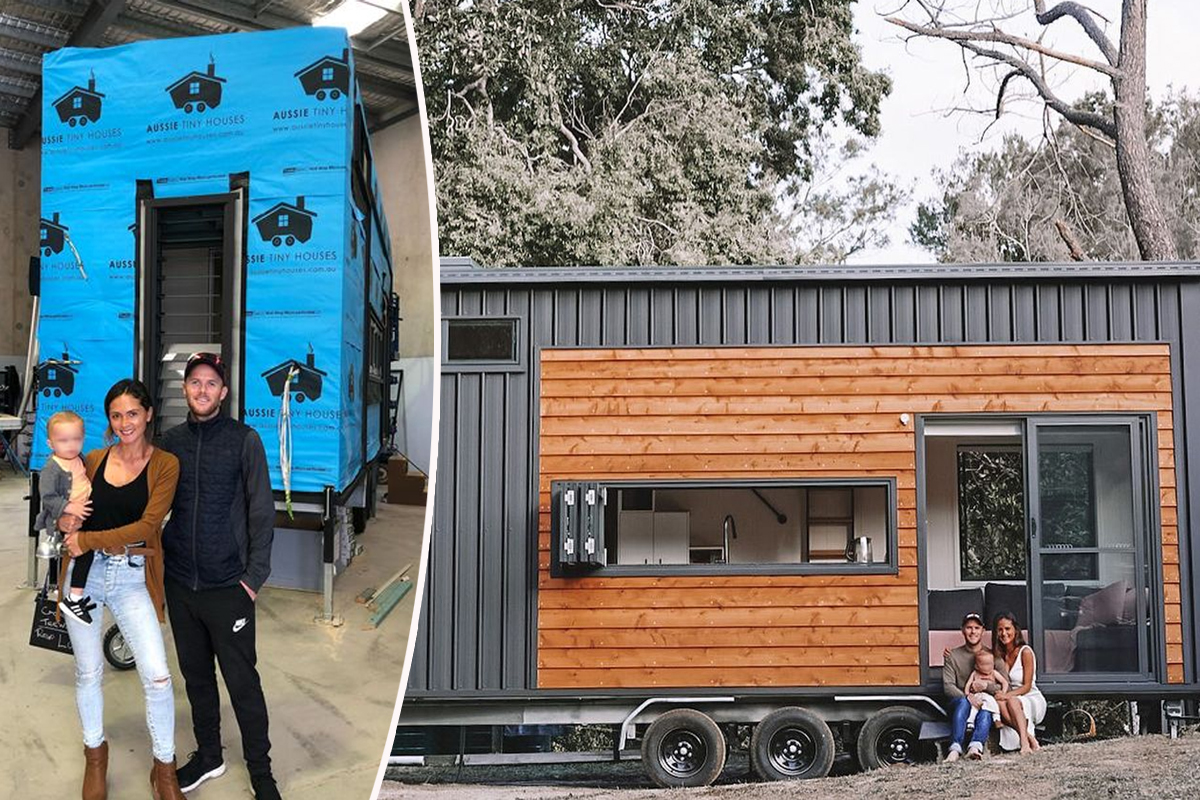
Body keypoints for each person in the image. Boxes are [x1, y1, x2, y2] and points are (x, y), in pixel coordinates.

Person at [56, 379, 185, 800]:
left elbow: (148, 526)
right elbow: (62, 502)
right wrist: (64, 519)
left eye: (132, 413)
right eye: (116, 415)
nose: (125, 422)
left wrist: (88, 539)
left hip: (132, 575)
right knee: (88, 672)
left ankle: (164, 769)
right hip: (84, 575)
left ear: (148, 414)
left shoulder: (165, 464)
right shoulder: (91, 459)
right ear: (109, 421)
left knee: (159, 677)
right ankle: (96, 757)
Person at [159, 352, 280, 800]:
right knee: (196, 678)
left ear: (223, 392)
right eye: (195, 382)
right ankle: (209, 754)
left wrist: (252, 579)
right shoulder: (170, 442)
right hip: (182, 584)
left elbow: (262, 513)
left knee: (243, 682)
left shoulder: (244, 440)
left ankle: (262, 773)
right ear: (185, 389)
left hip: (229, 585)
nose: (203, 390)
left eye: (211, 383)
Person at [36, 410, 96, 623]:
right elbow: (48, 497)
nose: (71, 445)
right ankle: (74, 598)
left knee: (89, 550)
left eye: (76, 439)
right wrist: (70, 507)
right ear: (51, 443)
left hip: (83, 514)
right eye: (63, 440)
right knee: (85, 553)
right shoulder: (52, 468)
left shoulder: (79, 458)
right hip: (65, 519)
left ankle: (75, 594)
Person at [942, 612, 1009, 761]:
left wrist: (986, 686)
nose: (973, 632)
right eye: (969, 627)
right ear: (962, 630)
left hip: (984, 703)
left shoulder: (993, 657)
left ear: (983, 631)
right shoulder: (952, 656)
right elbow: (948, 686)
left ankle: (975, 746)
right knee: (963, 703)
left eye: (977, 628)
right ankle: (955, 748)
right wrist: (968, 697)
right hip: (960, 703)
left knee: (985, 711)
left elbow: (1005, 685)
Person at [992, 612, 1046, 754]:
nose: (1004, 633)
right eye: (1000, 630)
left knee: (1011, 701)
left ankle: (1024, 743)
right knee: (999, 703)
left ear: (1015, 630)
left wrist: (1007, 695)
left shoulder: (1025, 652)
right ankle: (1029, 737)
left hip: (1031, 697)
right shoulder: (999, 656)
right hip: (1011, 698)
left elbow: (1027, 686)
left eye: (1007, 629)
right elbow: (979, 657)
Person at [965, 650, 1009, 726]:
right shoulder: (975, 673)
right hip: (977, 696)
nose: (989, 667)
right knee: (974, 708)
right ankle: (970, 723)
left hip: (990, 696)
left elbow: (1004, 682)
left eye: (991, 664)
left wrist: (1003, 692)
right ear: (977, 666)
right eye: (985, 664)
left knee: (992, 702)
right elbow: (968, 684)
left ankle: (996, 719)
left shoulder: (994, 673)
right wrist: (968, 694)